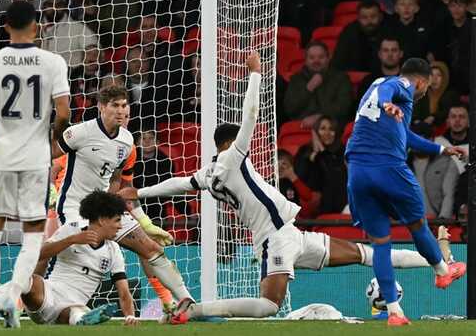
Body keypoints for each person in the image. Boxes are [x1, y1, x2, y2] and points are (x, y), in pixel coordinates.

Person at [118, 52, 436, 323]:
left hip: (291, 233)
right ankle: (195, 309)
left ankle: (439, 262)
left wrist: (139, 192)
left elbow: (179, 184)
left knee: (365, 254)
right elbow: (250, 116)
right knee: (269, 306)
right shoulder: (232, 158)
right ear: (229, 143)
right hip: (274, 238)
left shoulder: (209, 174)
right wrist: (255, 74)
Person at [0, 1, 71, 328]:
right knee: (32, 234)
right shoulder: (53, 62)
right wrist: (48, 135)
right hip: (36, 159)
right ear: (36, 27)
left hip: (1, 158)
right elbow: (64, 113)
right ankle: (11, 299)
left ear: (6, 26)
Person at [346, 58, 466, 325]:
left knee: (380, 244)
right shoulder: (401, 85)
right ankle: (443, 271)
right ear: (422, 81)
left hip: (357, 171)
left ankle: (394, 312)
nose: (424, 93)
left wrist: (441, 149)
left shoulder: (374, 89)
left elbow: (406, 136)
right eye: (426, 87)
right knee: (417, 225)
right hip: (388, 168)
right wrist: (387, 103)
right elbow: (390, 91)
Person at [53, 85, 194, 311]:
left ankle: (183, 305)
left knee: (151, 248)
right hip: (72, 207)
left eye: (124, 105)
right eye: (115, 105)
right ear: (101, 107)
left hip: (103, 208)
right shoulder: (80, 133)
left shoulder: (127, 142)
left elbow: (118, 180)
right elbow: (50, 157)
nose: (121, 111)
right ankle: (38, 304)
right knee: (74, 256)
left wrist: (139, 220)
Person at [21, 191, 136, 326]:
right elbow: (39, 255)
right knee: (28, 281)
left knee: (76, 312)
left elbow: (123, 292)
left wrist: (130, 316)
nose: (120, 226)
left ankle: (81, 320)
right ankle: (4, 304)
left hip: (69, 308)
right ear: (102, 220)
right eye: (117, 220)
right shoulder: (71, 229)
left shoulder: (114, 250)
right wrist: (71, 240)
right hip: (47, 294)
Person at [284, 41, 353, 127]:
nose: (316, 61)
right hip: (301, 125)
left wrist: (321, 118)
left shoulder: (341, 78)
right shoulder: (296, 80)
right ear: (306, 60)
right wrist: (308, 89)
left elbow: (344, 107)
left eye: (321, 57)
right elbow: (290, 109)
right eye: (312, 58)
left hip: (333, 126)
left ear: (328, 58)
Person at [294, 115, 348, 215]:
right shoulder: (305, 151)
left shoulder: (342, 151)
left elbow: (337, 177)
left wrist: (322, 153)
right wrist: (313, 158)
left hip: (341, 204)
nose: (327, 133)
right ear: (315, 132)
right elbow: (301, 176)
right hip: (313, 206)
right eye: (322, 129)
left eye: (331, 129)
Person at [331, 1, 389, 72]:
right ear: (358, 18)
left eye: (373, 16)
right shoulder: (349, 32)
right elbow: (339, 60)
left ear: (381, 17)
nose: (369, 21)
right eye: (364, 17)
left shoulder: (390, 29)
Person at [412, 62, 460, 127]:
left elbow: (447, 112)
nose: (435, 79)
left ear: (444, 78)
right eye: (432, 75)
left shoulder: (451, 95)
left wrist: (434, 117)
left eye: (439, 75)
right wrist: (416, 120)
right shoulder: (423, 93)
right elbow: (415, 113)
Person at [357, 37, 404, 101]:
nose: (390, 54)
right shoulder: (369, 82)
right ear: (379, 54)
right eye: (385, 50)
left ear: (401, 54)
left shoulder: (410, 81)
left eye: (394, 50)